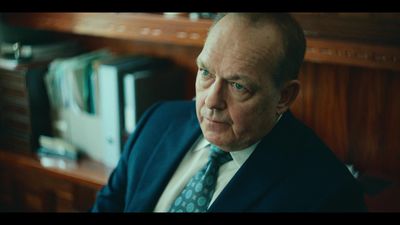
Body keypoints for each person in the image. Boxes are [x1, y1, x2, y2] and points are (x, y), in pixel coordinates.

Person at [91, 13, 366, 212]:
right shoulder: (157, 122)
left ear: (284, 96)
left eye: (238, 86)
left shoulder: (329, 195)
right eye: (206, 72)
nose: (211, 101)